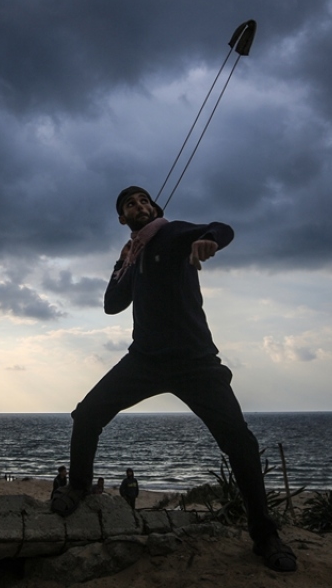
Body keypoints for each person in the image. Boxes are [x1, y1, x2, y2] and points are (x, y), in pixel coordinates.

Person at [53, 186, 296, 572]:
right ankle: (79, 486)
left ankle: (265, 535)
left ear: (154, 207)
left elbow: (224, 227)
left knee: (241, 444)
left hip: (195, 362)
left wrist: (207, 240)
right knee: (86, 415)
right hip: (145, 360)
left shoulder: (174, 232)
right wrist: (123, 262)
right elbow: (112, 305)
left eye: (144, 200)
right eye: (130, 204)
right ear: (122, 218)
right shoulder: (134, 256)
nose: (139, 205)